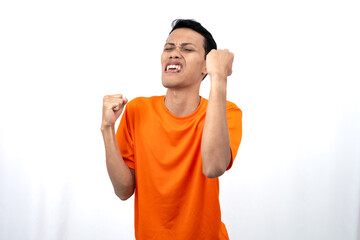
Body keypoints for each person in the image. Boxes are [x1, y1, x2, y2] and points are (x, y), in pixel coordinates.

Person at [101, 19, 242, 240]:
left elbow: (214, 166)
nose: (174, 54)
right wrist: (107, 128)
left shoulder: (226, 112)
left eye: (187, 49)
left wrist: (220, 77)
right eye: (169, 48)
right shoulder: (137, 110)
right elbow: (124, 191)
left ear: (206, 66)